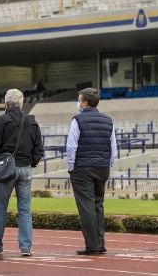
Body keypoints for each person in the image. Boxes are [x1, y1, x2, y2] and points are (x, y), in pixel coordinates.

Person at [0, 89, 44, 257]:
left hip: (7, 169)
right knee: (25, 209)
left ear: (7, 103)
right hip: (25, 169)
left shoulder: (1, 120)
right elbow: (39, 148)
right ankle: (26, 247)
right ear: (21, 103)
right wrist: (32, 162)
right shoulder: (32, 122)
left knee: (0, 209)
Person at [66, 87, 117, 255]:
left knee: (86, 206)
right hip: (102, 168)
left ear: (85, 103)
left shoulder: (77, 120)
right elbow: (113, 147)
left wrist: (71, 167)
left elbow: (71, 146)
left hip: (82, 168)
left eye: (79, 100)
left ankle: (92, 245)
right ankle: (100, 243)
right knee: (98, 204)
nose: (78, 103)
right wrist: (108, 164)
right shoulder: (108, 120)